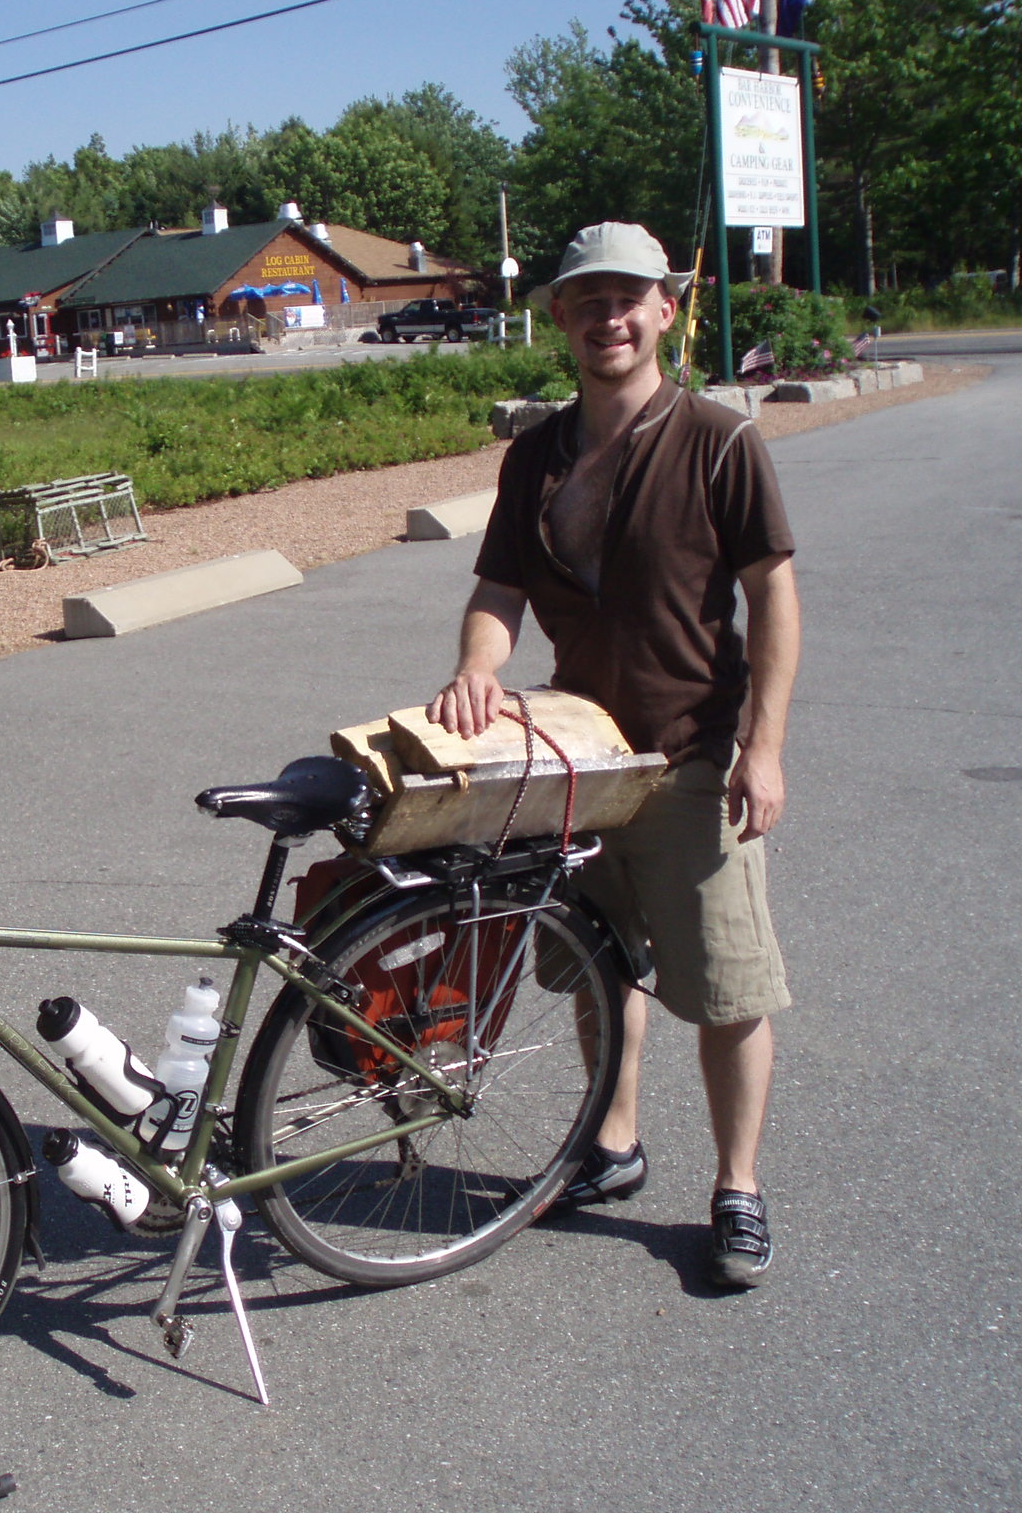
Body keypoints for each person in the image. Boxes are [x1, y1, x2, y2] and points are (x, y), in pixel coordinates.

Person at [427, 221, 801, 1289]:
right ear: (559, 318)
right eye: (587, 300)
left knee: (728, 989)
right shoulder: (536, 455)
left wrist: (761, 750)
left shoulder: (719, 442)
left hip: (691, 758)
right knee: (598, 963)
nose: (609, 318)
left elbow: (772, 595)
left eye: (628, 298)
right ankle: (613, 1143)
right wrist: (476, 668)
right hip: (580, 761)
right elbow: (498, 590)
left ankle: (737, 1187)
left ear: (664, 311)